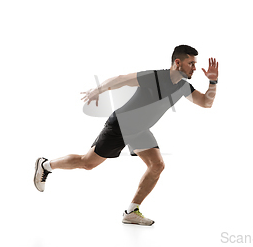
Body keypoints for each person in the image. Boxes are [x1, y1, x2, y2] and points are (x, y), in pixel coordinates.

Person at [33, 45, 219, 225]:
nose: (195, 68)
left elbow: (206, 103)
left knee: (157, 165)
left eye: (195, 64)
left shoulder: (183, 87)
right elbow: (122, 79)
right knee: (87, 163)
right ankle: (46, 165)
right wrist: (98, 90)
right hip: (120, 126)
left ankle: (131, 211)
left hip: (140, 131)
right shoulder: (155, 77)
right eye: (191, 64)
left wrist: (213, 82)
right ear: (178, 62)